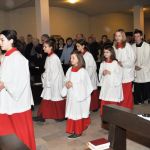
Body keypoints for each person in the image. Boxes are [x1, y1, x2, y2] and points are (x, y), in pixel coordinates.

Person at [0, 30, 36, 150]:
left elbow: (20, 81)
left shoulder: (18, 58)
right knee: (7, 128)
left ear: (11, 41)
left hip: (17, 101)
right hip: (7, 99)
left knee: (18, 130)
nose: (0, 43)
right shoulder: (6, 56)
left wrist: (4, 84)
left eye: (2, 40)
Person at [62, 51, 93, 139]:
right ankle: (73, 129)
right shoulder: (69, 70)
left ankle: (78, 131)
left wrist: (74, 85)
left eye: (73, 58)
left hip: (79, 97)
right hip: (71, 96)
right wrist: (67, 83)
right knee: (72, 113)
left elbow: (86, 85)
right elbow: (66, 79)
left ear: (79, 59)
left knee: (77, 113)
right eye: (71, 58)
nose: (71, 59)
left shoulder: (82, 71)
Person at [33, 39, 65, 122]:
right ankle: (42, 115)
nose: (43, 48)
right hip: (50, 81)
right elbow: (48, 70)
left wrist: (49, 82)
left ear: (51, 47)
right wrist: (44, 75)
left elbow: (56, 73)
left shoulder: (54, 58)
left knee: (56, 97)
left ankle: (60, 116)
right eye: (43, 46)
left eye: (45, 46)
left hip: (55, 82)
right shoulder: (48, 57)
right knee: (46, 97)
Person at [114, 29, 135, 109]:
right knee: (119, 92)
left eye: (119, 36)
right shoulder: (114, 46)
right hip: (118, 73)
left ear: (123, 36)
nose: (117, 37)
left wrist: (122, 63)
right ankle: (121, 108)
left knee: (126, 94)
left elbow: (132, 60)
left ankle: (127, 109)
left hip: (126, 74)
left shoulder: (127, 46)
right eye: (116, 36)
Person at [99, 45, 123, 116]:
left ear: (111, 53)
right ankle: (105, 117)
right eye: (104, 52)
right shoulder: (102, 63)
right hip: (106, 86)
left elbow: (120, 75)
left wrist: (110, 73)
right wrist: (103, 73)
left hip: (113, 87)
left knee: (113, 104)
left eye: (107, 52)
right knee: (105, 101)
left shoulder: (115, 63)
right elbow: (100, 74)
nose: (105, 54)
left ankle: (114, 117)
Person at [76, 39, 99, 111]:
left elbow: (93, 67)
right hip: (84, 75)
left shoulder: (88, 55)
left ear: (83, 46)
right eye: (76, 46)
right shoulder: (80, 54)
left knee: (92, 91)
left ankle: (94, 106)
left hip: (90, 76)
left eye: (78, 46)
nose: (77, 48)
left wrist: (87, 77)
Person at [132, 29, 150, 104]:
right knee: (137, 88)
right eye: (135, 36)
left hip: (145, 71)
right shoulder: (132, 46)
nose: (136, 38)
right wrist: (134, 65)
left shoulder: (147, 46)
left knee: (146, 88)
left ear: (141, 37)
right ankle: (138, 101)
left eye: (138, 36)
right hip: (135, 71)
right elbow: (131, 58)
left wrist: (140, 66)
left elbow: (147, 58)